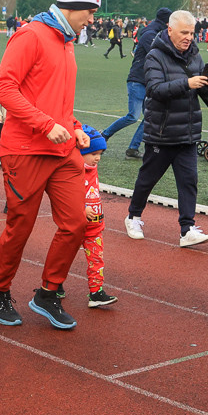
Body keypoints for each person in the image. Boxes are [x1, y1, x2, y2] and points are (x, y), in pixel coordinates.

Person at [0, 0, 98, 330]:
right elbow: (4, 88)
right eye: (90, 12)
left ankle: (48, 292)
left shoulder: (66, 40)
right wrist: (45, 124)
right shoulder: (31, 34)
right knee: (20, 227)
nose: (93, 20)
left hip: (63, 150)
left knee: (77, 223)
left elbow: (57, 100)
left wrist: (74, 128)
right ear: (73, 7)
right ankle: (0, 291)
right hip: (26, 150)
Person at [124, 10, 208, 247]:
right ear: (170, 30)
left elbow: (202, 93)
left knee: (188, 181)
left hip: (187, 132)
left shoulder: (195, 56)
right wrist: (187, 83)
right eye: (184, 32)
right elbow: (155, 90)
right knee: (147, 179)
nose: (189, 37)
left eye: (193, 33)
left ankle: (187, 229)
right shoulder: (154, 55)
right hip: (162, 132)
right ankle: (133, 216)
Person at [102, 7, 172, 160]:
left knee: (149, 117)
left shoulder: (156, 32)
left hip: (147, 81)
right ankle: (104, 135)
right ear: (167, 21)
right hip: (138, 80)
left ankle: (133, 149)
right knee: (133, 116)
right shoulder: (150, 34)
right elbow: (159, 54)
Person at [77, 125, 118, 308]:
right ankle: (54, 287)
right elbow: (65, 196)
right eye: (94, 153)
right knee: (63, 259)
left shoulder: (93, 169)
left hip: (95, 227)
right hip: (75, 226)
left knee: (96, 260)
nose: (98, 158)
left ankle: (96, 292)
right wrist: (81, 209)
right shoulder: (72, 171)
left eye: (100, 153)